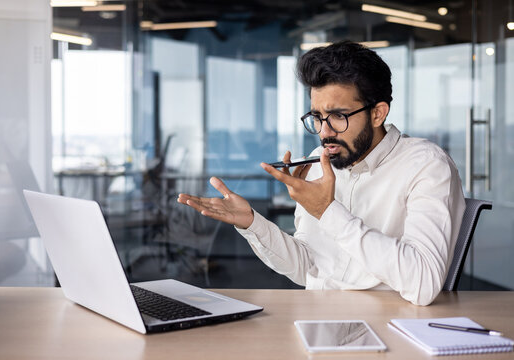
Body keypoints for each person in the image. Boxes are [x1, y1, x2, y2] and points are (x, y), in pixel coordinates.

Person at [177, 40, 465, 306]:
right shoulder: (320, 161)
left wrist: (328, 212)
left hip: (390, 325)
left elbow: (424, 283)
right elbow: (308, 268)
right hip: (320, 317)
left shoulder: (426, 165)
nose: (324, 133)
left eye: (338, 116)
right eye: (317, 117)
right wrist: (253, 224)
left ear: (378, 113)